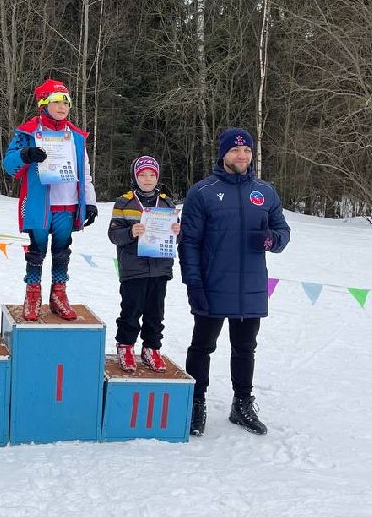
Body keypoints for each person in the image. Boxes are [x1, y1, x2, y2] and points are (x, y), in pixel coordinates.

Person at [179, 128, 290, 437]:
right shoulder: (202, 192)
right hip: (213, 284)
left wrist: (270, 239)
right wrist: (194, 284)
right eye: (235, 151)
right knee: (202, 346)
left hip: (251, 287)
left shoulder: (264, 191)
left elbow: (283, 233)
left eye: (247, 151)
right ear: (223, 154)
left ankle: (241, 403)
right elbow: (188, 243)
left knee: (245, 348)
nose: (242, 156)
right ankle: (195, 402)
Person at [2, 79, 98, 321]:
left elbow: (84, 171)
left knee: (62, 250)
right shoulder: (28, 132)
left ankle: (59, 293)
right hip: (39, 203)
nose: (62, 106)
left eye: (66, 102)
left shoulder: (76, 136)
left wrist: (91, 202)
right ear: (43, 104)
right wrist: (26, 155)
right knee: (36, 250)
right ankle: (32, 294)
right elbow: (8, 163)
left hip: (67, 202)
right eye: (56, 101)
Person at [108, 156, 180, 373]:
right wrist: (130, 232)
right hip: (134, 268)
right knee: (131, 309)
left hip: (160, 269)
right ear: (135, 177)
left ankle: (152, 347)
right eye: (142, 175)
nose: (147, 179)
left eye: (152, 174)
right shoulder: (124, 202)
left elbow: (177, 236)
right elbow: (113, 235)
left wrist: (178, 231)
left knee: (155, 312)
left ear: (157, 177)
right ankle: (126, 346)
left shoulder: (167, 203)